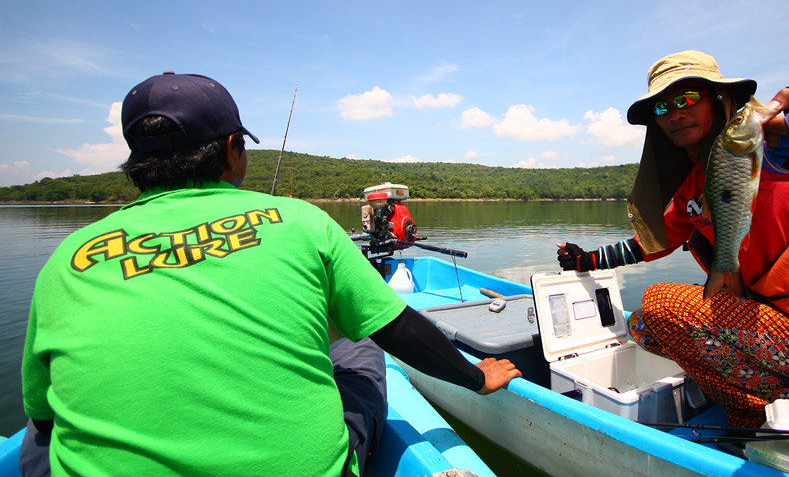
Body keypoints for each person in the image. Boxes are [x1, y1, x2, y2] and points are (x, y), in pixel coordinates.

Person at [20, 72, 521, 477]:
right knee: (358, 343)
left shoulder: (67, 256)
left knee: (38, 436)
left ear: (136, 163)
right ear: (233, 148)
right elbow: (397, 328)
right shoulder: (301, 220)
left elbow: (42, 414)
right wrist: (477, 377)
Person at [556, 50, 789, 428]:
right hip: (761, 321)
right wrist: (587, 261)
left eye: (686, 99)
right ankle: (768, 381)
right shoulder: (693, 186)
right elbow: (651, 242)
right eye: (664, 107)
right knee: (643, 328)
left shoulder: (762, 152)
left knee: (660, 302)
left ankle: (772, 405)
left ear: (718, 100)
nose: (676, 113)